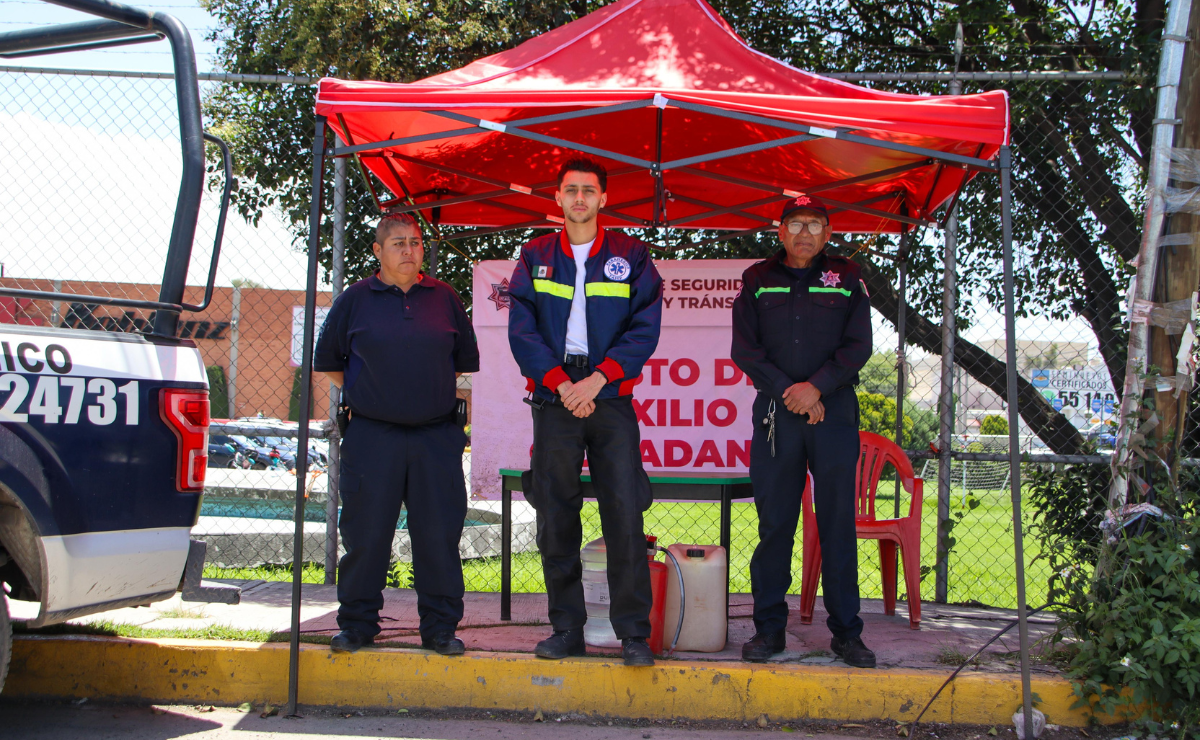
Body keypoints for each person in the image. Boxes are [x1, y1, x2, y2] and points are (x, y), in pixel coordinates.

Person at [507, 157, 664, 667]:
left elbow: (644, 329)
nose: (579, 198)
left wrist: (597, 380)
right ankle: (566, 628)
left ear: (603, 199)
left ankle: (634, 634)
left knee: (624, 512)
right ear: (557, 198)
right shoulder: (534, 256)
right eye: (570, 190)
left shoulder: (632, 256)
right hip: (555, 398)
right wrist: (561, 384)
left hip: (610, 397)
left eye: (589, 190)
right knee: (557, 515)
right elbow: (522, 331)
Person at [313, 212, 479, 656]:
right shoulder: (354, 300)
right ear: (378, 252)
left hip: (435, 438)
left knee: (438, 536)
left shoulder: (444, 298)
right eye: (399, 243)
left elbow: (462, 362)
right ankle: (358, 625)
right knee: (366, 536)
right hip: (373, 438)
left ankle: (441, 628)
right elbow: (327, 361)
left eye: (416, 242)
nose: (409, 250)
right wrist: (371, 391)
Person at [730, 194, 876, 668]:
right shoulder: (757, 279)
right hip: (777, 416)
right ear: (781, 231)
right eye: (796, 223)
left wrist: (816, 389)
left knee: (837, 525)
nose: (805, 233)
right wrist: (791, 393)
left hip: (834, 415)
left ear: (828, 233)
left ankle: (847, 634)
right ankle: (769, 631)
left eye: (815, 224)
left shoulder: (847, 278)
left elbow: (858, 346)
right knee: (776, 527)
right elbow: (745, 351)